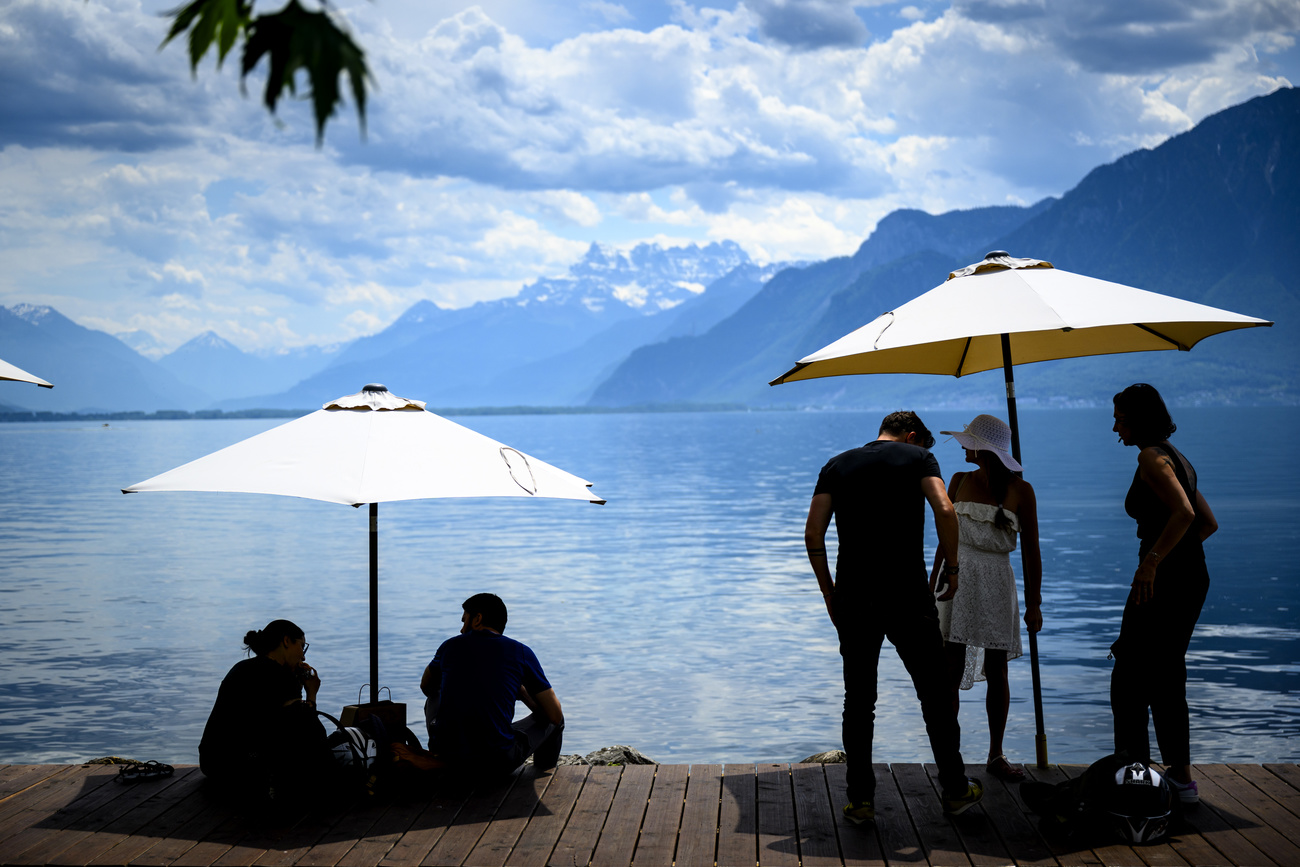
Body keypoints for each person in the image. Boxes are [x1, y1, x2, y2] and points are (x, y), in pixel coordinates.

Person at [805, 410, 983, 825]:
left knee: (859, 700)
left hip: (854, 597)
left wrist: (830, 593)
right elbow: (945, 509)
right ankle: (956, 790)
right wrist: (952, 568)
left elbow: (814, 533)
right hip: (907, 595)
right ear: (913, 436)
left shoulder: (836, 465)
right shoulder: (919, 460)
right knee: (935, 696)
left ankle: (860, 800)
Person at [1110, 384, 1217, 805]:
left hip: (1161, 579)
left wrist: (1154, 561)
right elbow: (1207, 524)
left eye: (1119, 417)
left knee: (1130, 674)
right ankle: (1180, 778)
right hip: (1190, 576)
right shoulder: (1177, 457)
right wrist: (1180, 560)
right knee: (1167, 672)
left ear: (1137, 419)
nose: (1114, 426)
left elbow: (1186, 514)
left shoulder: (1151, 458)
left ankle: (1133, 772)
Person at [928, 414, 1042, 782]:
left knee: (997, 667)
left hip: (995, 576)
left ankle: (996, 753)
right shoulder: (959, 480)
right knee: (950, 666)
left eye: (967, 442)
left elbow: (1031, 552)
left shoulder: (1020, 491)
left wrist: (1034, 603)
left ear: (983, 449)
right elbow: (947, 538)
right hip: (957, 574)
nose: (962, 447)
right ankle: (951, 754)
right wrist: (931, 583)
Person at [392, 593, 564, 778]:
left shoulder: (449, 646)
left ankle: (443, 757)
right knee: (557, 721)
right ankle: (542, 772)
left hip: (447, 752)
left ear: (477, 619)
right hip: (496, 761)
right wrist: (521, 692)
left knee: (435, 693)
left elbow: (426, 686)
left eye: (464, 620)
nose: (461, 629)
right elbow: (554, 716)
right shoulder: (520, 652)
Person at [199, 619, 331, 807]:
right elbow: (307, 728)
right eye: (301, 646)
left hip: (212, 761)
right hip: (239, 766)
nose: (302, 656)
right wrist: (311, 693)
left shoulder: (242, 667)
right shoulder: (280, 676)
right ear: (286, 641)